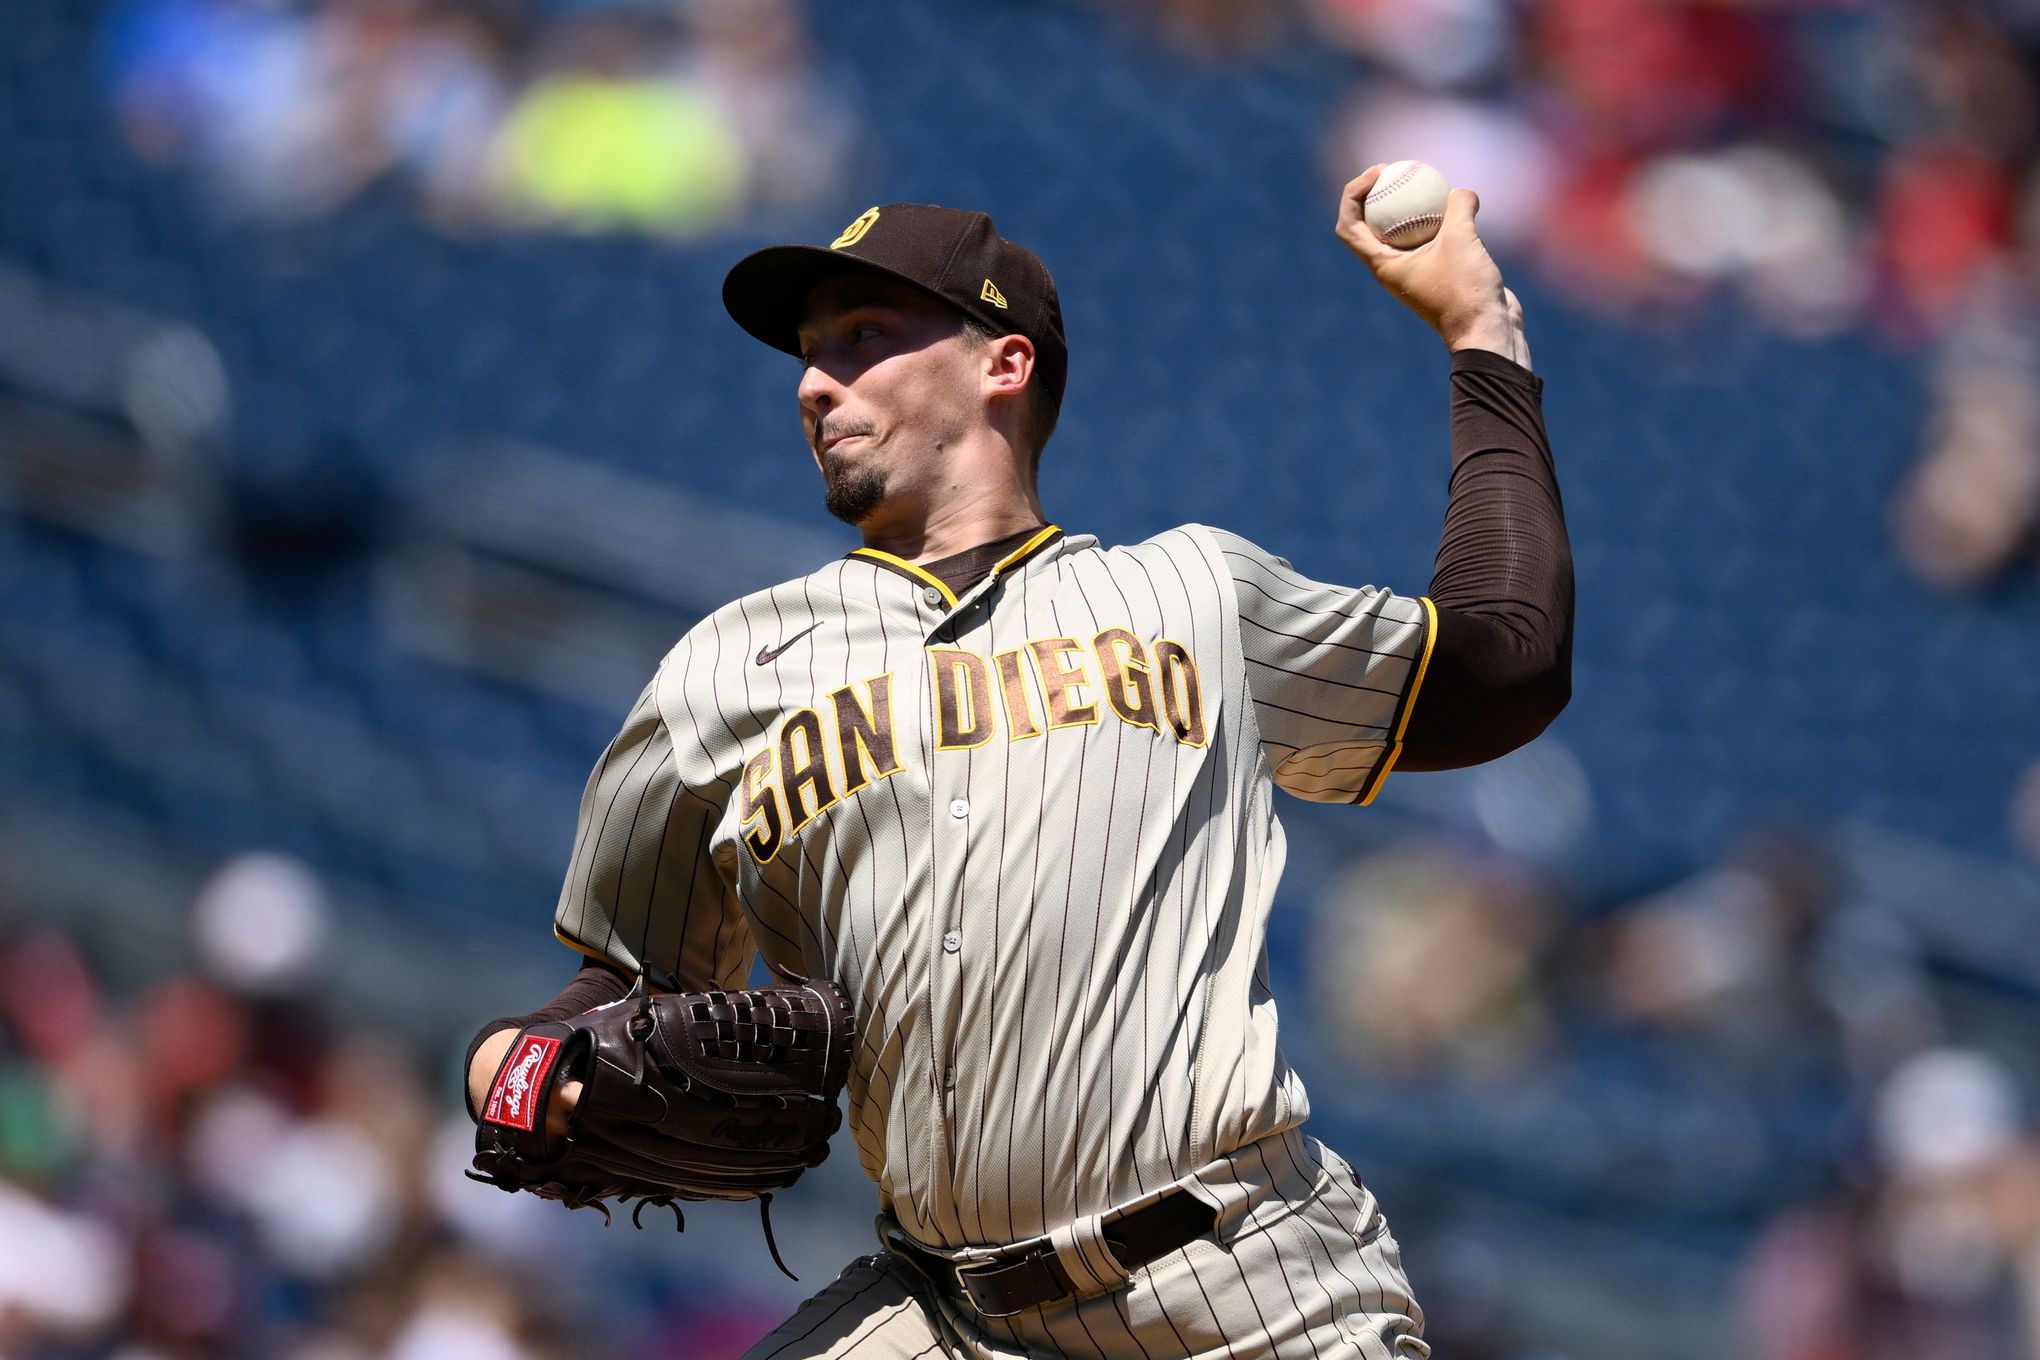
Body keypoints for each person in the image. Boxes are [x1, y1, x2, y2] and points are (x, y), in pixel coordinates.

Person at [466, 166, 1571, 1360]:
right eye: (808, 352)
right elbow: (617, 983)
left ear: (1005, 364)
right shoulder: (720, 671)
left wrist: (1481, 334)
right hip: (948, 1312)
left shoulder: (1192, 593)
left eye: (863, 337)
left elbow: (1506, 665)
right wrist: (512, 1063)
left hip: (1246, 1284)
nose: (811, 382)